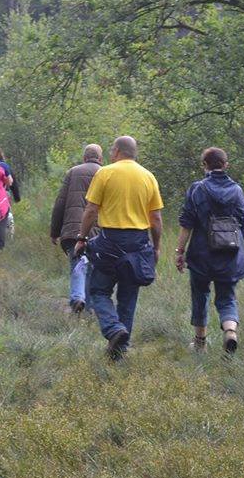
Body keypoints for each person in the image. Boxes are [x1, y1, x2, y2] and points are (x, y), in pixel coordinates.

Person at [75, 136, 163, 360]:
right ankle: (119, 352)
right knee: (128, 296)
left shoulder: (105, 173)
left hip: (109, 242)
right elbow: (156, 218)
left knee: (99, 291)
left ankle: (114, 330)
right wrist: (157, 247)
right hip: (138, 242)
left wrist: (82, 238)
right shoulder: (148, 176)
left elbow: (91, 210)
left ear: (116, 152)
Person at [174, 147, 244, 354]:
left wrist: (180, 251)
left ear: (204, 166)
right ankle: (230, 331)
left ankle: (200, 343)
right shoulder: (237, 190)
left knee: (200, 295)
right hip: (230, 254)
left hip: (201, 255)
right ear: (226, 165)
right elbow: (243, 223)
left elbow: (186, 223)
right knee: (227, 297)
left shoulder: (197, 189)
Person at [50, 144, 103, 314]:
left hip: (73, 230)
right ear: (100, 159)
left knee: (78, 263)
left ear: (84, 158)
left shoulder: (73, 172)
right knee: (93, 268)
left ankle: (78, 298)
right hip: (98, 230)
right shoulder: (106, 173)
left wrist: (55, 231)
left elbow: (60, 203)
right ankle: (89, 308)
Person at [0, 149, 20, 250]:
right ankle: (1, 243)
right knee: (4, 219)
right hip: (5, 195)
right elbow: (13, 183)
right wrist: (17, 197)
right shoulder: (5, 166)